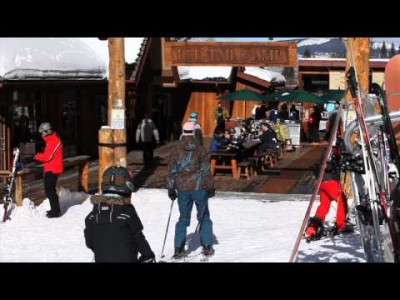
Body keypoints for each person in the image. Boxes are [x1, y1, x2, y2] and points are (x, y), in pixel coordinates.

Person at [84, 166, 156, 263]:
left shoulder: (92, 216)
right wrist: (148, 256)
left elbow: (89, 242)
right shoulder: (127, 212)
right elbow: (139, 239)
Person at [167, 121, 216, 259]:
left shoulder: (176, 150)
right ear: (194, 132)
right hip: (199, 186)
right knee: (204, 216)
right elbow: (206, 170)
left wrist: (171, 188)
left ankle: (179, 248)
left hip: (182, 188)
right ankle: (207, 245)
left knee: (183, 218)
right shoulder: (200, 149)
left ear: (183, 132)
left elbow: (172, 171)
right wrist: (210, 186)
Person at [305, 138, 353, 241]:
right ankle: (341, 224)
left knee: (324, 205)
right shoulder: (332, 152)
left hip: (322, 182)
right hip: (330, 180)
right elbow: (328, 165)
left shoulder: (328, 151)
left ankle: (312, 228)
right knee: (341, 200)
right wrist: (340, 164)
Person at [34, 122, 63, 218]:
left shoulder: (55, 141)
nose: (42, 135)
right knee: (48, 190)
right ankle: (54, 209)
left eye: (43, 132)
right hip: (50, 168)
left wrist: (36, 156)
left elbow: (48, 157)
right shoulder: (50, 141)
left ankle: (56, 211)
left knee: (50, 190)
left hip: (54, 169)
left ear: (47, 131)